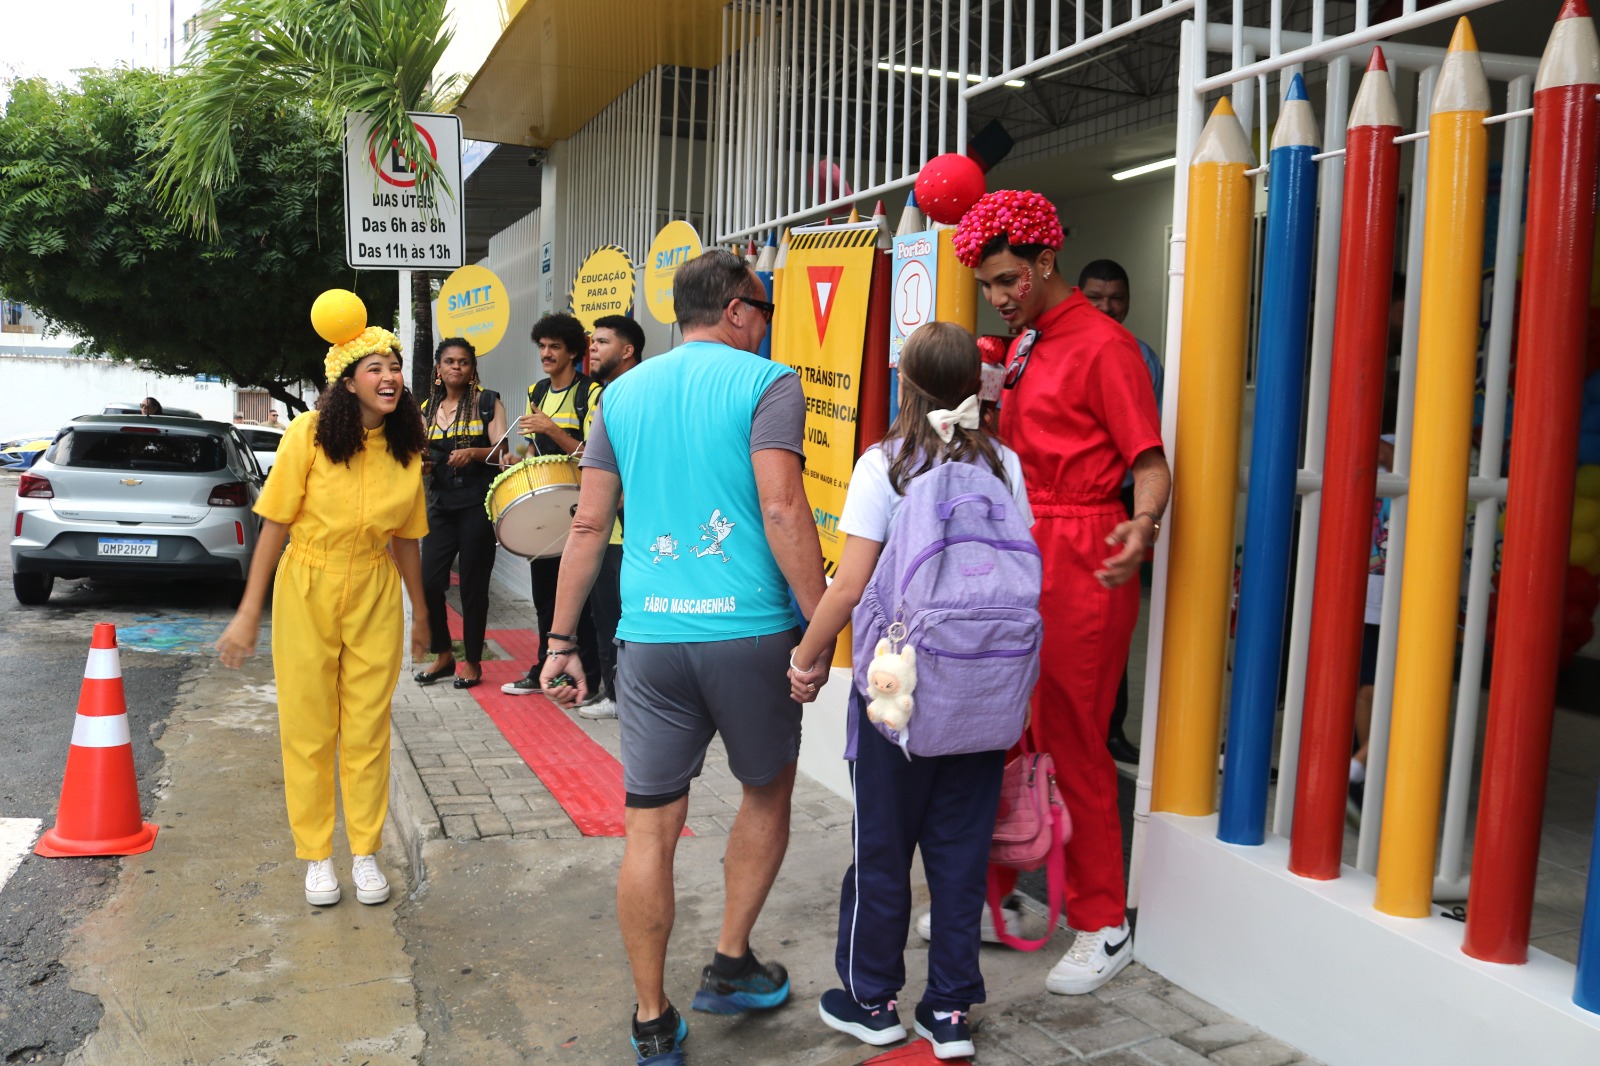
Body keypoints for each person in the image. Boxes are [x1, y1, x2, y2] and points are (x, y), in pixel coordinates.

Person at [537, 249, 827, 1066]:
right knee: (765, 791)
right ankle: (731, 964)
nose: (765, 323)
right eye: (762, 308)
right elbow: (782, 507)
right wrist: (822, 623)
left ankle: (652, 1018)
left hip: (651, 639)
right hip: (749, 633)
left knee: (649, 826)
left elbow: (587, 524)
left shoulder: (620, 394)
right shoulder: (769, 384)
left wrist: (560, 642)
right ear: (734, 309)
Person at [788, 321, 1033, 1061]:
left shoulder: (885, 465)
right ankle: (950, 1011)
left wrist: (805, 658)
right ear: (974, 386)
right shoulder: (1004, 465)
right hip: (983, 694)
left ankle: (872, 1001)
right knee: (960, 857)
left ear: (905, 381)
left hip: (897, 693)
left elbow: (849, 587)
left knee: (883, 851)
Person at [954, 189, 1170, 996]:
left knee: (1073, 738)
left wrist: (1141, 526)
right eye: (988, 285)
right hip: (1021, 545)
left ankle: (1103, 920)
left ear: (1047, 261)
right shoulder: (1025, 345)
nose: (999, 297)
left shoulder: (1106, 346)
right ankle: (999, 894)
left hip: (1084, 549)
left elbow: (1149, 462)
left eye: (1009, 279)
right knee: (1002, 730)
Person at [215, 322, 430, 909]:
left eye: (394, 367)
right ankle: (316, 856)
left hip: (374, 589)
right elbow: (276, 523)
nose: (389, 378)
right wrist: (249, 610)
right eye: (374, 368)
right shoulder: (307, 435)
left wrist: (421, 613)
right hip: (307, 582)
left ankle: (364, 853)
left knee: (368, 729)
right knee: (309, 728)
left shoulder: (406, 447)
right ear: (348, 382)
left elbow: (407, 538)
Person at [1078, 258, 1165, 768]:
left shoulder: (1143, 358)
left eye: (1116, 298)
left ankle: (1111, 731)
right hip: (1066, 506)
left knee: (1114, 621)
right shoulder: (1050, 347)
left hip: (1126, 502)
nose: (1107, 307)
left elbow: (1153, 436)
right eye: (1096, 297)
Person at [502, 312, 606, 697]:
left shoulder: (591, 394)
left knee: (584, 602)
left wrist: (552, 429)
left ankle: (588, 678)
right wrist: (518, 460)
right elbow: (533, 450)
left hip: (581, 511)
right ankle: (544, 668)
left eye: (554, 347)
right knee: (545, 598)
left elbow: (595, 455)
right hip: (544, 512)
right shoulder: (537, 392)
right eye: (542, 346)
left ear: (573, 352)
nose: (546, 353)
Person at [415, 337, 509, 691]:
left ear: (472, 369)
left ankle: (471, 661)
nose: (457, 366)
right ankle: (443, 655)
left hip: (477, 504)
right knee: (428, 583)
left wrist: (473, 453)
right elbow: (422, 455)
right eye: (450, 361)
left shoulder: (487, 402)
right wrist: (424, 466)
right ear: (438, 369)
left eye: (464, 362)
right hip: (441, 505)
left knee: (473, 587)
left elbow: (501, 451)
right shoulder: (427, 408)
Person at [576, 314, 646, 720]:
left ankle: (628, 697)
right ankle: (615, 694)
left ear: (628, 350)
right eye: (593, 341)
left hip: (632, 532)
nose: (594, 348)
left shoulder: (639, 393)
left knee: (626, 618)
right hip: (607, 530)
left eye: (602, 341)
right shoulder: (605, 395)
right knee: (605, 617)